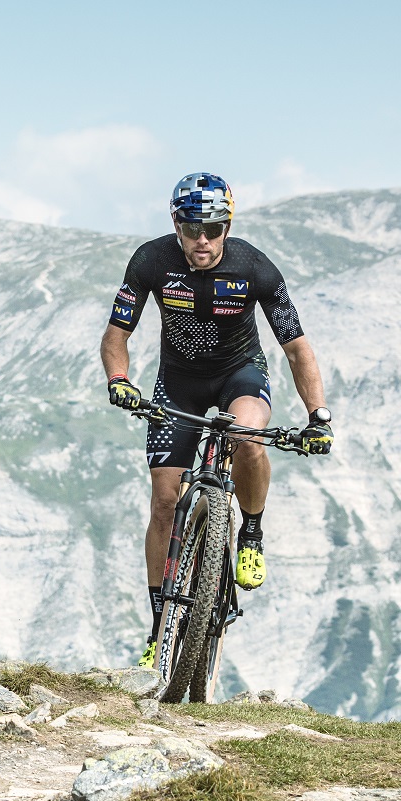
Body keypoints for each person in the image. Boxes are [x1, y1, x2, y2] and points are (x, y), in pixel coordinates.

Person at [99, 172, 333, 668]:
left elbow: (297, 349)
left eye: (213, 229)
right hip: (178, 380)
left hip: (239, 373)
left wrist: (318, 416)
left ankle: (250, 531)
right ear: (176, 225)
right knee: (164, 503)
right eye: (190, 230)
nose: (201, 241)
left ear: (228, 226)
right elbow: (116, 334)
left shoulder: (254, 268)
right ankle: (158, 631)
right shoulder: (151, 260)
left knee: (247, 437)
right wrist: (119, 378)